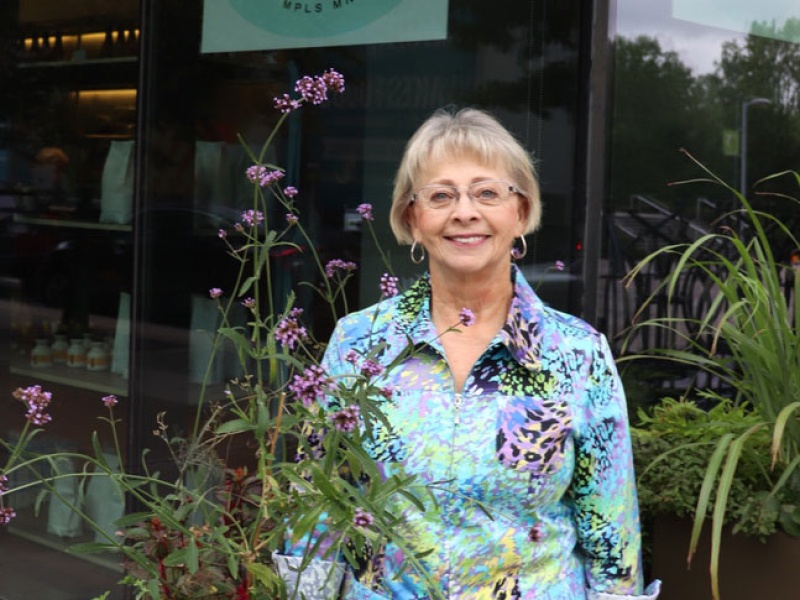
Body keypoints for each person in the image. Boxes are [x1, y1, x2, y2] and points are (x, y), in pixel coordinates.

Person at [282, 107, 661, 600]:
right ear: (412, 219)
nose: (465, 212)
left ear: (520, 212)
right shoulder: (359, 343)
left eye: (487, 193)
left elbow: (611, 533)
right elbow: (318, 501)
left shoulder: (577, 352)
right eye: (441, 196)